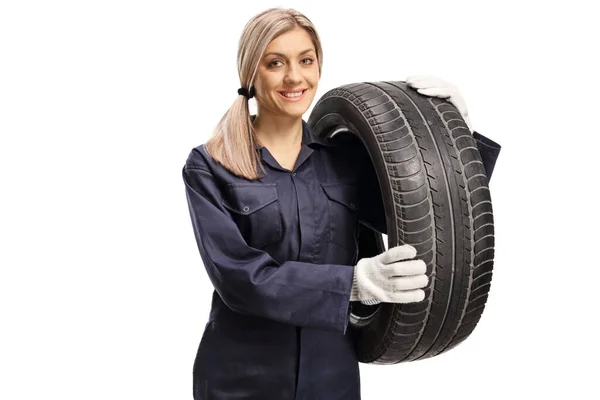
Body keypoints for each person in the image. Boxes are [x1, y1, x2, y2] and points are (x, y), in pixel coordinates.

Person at [181, 7, 501, 400]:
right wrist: (351, 283)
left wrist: (451, 131)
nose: (294, 77)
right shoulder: (211, 165)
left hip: (332, 377)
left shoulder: (344, 159)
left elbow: (433, 209)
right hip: (242, 380)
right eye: (275, 63)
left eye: (306, 60)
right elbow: (239, 279)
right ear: (250, 72)